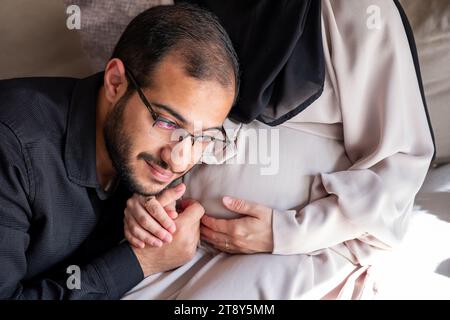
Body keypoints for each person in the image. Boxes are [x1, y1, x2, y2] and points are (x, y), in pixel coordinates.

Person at [122, 0, 435, 299]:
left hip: (305, 250)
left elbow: (398, 166)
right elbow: (161, 118)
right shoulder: (194, 6)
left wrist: (286, 232)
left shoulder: (360, 11)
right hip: (181, 242)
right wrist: (149, 200)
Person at [0, 4, 239, 299]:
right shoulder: (11, 149)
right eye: (166, 122)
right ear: (115, 83)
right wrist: (141, 261)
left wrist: (154, 202)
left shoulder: (143, 162)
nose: (178, 159)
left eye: (202, 138)